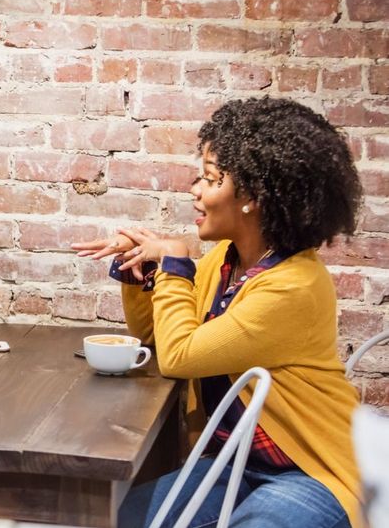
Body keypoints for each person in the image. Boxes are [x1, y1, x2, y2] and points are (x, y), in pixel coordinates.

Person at [72, 97, 363, 528]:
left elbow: (180, 357)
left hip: (312, 472)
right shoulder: (228, 261)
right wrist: (145, 275)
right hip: (237, 465)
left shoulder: (293, 285)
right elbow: (158, 340)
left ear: (253, 196)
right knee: (116, 518)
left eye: (210, 178)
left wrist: (175, 260)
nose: (195, 190)